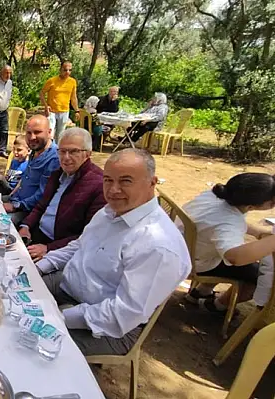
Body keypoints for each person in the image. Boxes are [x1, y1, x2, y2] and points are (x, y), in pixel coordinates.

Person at [36, 149, 191, 356]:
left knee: (32, 345)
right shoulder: (110, 211)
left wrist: (60, 316)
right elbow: (78, 245)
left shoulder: (158, 245)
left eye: (126, 181)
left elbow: (123, 314)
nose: (113, 190)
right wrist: (39, 267)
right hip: (69, 284)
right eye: (108, 180)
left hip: (109, 328)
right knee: (7, 293)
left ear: (152, 183)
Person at [182, 173, 275, 313]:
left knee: (228, 258)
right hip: (196, 261)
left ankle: (201, 292)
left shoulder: (213, 196)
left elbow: (227, 222)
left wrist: (259, 233)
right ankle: (218, 305)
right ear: (251, 206)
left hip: (186, 247)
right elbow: (235, 257)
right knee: (259, 277)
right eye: (272, 203)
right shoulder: (228, 223)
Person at [18, 128, 106, 260]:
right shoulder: (59, 173)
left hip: (58, 249)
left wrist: (49, 248)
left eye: (74, 151)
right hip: (36, 234)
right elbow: (41, 205)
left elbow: (88, 235)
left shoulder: (99, 185)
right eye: (62, 151)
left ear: (88, 154)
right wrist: (26, 225)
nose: (66, 157)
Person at [2, 114, 60, 226]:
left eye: (37, 132)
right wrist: (11, 196)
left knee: (0, 224)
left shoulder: (54, 158)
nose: (32, 137)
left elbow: (42, 195)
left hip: (28, 211)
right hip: (15, 199)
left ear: (49, 132)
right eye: (29, 133)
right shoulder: (35, 150)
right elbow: (25, 179)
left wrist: (15, 206)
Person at [40, 61, 79, 139]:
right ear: (60, 69)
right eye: (65, 70)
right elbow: (41, 93)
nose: (67, 72)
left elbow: (73, 97)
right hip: (52, 111)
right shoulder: (52, 81)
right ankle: (48, 149)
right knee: (50, 133)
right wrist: (46, 106)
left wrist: (77, 110)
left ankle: (57, 150)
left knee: (60, 135)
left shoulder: (72, 82)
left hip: (64, 111)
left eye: (70, 70)